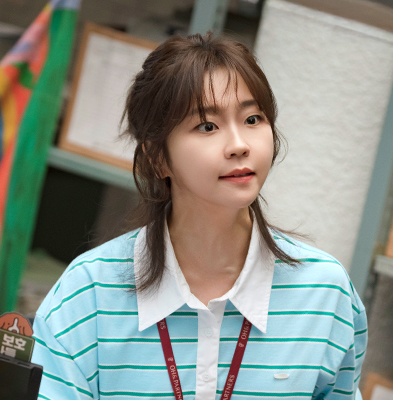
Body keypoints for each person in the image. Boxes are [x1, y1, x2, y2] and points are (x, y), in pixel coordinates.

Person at [31, 32, 368, 400]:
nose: (239, 145)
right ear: (156, 158)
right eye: (207, 126)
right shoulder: (87, 294)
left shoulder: (326, 292)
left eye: (253, 118)